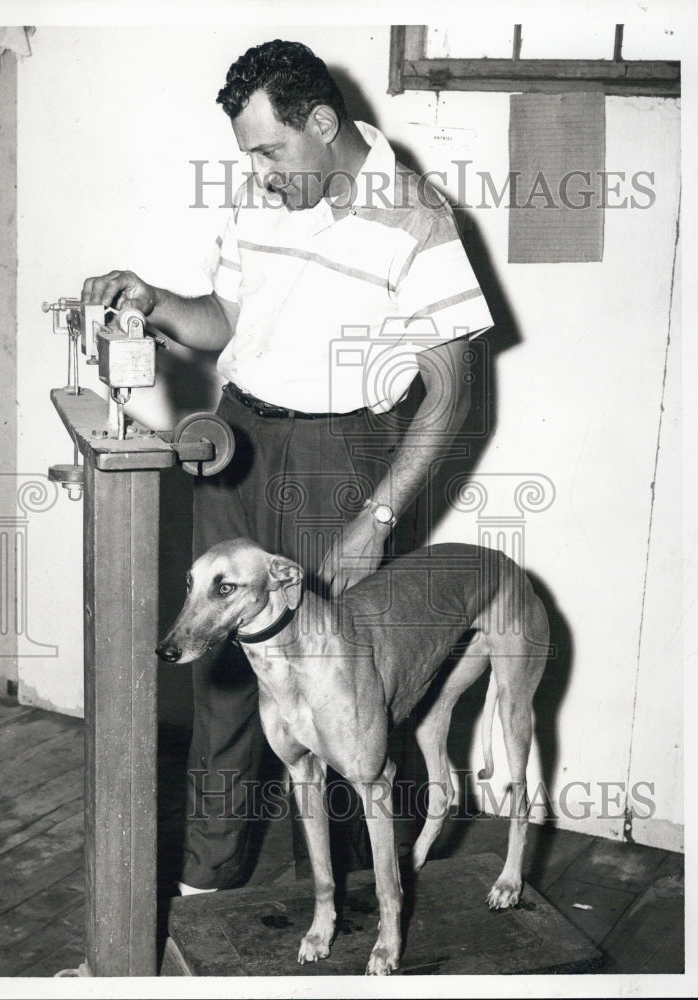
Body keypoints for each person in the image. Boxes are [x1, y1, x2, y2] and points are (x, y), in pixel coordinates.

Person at [82, 38, 493, 895]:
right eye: (248, 155)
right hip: (236, 442)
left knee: (341, 680)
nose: (260, 171)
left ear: (322, 122)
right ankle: (209, 876)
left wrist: (376, 521)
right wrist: (153, 303)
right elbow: (223, 320)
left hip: (340, 455)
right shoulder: (262, 193)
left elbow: (450, 397)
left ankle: (358, 895)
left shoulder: (416, 218)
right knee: (225, 665)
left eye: (270, 149)